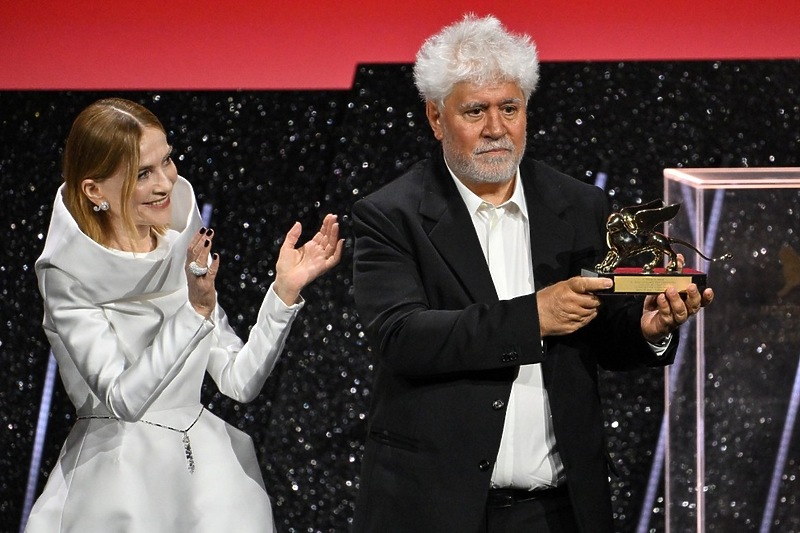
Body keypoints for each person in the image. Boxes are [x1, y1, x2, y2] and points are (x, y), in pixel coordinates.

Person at [351, 14, 714, 533]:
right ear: (435, 116)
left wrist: (647, 329)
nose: (496, 128)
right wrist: (532, 318)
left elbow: (604, 334)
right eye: (475, 110)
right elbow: (401, 336)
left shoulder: (579, 205)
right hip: (434, 511)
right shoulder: (390, 214)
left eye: (510, 108)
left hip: (560, 512)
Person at [25, 97, 343, 533]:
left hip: (207, 479)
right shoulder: (67, 277)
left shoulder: (180, 248)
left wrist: (283, 292)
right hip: (119, 482)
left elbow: (239, 381)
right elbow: (122, 400)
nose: (166, 183)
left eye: (167, 160)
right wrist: (194, 311)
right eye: (143, 174)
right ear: (94, 190)